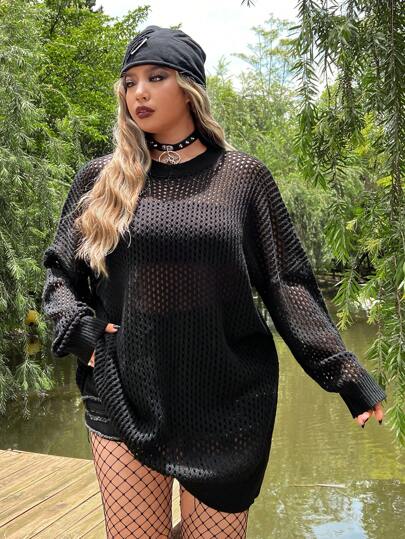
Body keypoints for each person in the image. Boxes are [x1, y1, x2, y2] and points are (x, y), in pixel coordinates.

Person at [41, 25, 386, 539]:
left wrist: (345, 373)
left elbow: (287, 284)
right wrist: (81, 334)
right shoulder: (101, 178)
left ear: (189, 88)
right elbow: (59, 273)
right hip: (124, 386)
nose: (139, 92)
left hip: (225, 396)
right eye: (130, 82)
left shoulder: (242, 177)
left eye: (156, 77)